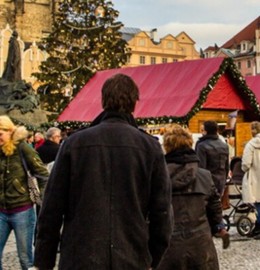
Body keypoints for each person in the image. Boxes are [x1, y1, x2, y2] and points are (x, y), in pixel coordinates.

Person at [34, 74, 172, 270]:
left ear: (103, 101)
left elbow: (52, 208)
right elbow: (162, 212)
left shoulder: (74, 143)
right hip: (132, 255)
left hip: (81, 256)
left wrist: (43, 262)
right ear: (135, 104)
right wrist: (153, 258)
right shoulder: (150, 147)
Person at [154, 125, 222, 269]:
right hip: (201, 245)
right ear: (190, 144)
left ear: (167, 147)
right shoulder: (204, 176)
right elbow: (215, 211)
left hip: (168, 248)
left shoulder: (157, 177)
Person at [0, 116, 49, 270]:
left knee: (25, 259)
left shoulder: (22, 148)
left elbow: (43, 176)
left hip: (22, 211)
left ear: (10, 131)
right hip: (0, 212)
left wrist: (43, 203)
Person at [194, 119, 230, 248]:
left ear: (206, 131)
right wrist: (224, 179)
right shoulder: (224, 145)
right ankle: (221, 229)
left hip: (207, 180)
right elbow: (227, 166)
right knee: (215, 206)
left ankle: (208, 236)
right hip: (220, 180)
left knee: (204, 208)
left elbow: (201, 167)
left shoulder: (202, 145)